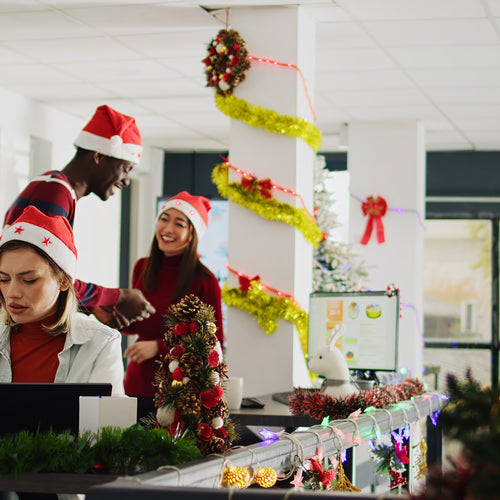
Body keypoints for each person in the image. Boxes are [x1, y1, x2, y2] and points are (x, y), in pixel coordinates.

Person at [3, 104, 155, 330]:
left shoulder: (56, 188)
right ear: (99, 157)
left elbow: (48, 276)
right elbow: (44, 275)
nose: (126, 181)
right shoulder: (54, 192)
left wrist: (92, 305)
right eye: (126, 168)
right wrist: (116, 296)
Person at [0, 206, 124, 395]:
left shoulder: (101, 343)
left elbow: (109, 423)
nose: (12, 293)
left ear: (64, 280)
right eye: (3, 279)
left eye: (29, 280)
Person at [122, 191, 223, 417]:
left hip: (181, 393)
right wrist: (105, 311)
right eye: (164, 219)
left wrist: (159, 347)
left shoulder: (205, 281)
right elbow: (134, 325)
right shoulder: (142, 267)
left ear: (192, 234)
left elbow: (214, 344)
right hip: (137, 384)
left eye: (179, 224)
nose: (167, 229)